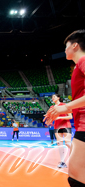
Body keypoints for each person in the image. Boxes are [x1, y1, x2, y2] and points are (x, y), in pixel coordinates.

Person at [43, 30, 85, 186]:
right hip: (81, 125)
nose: (64, 50)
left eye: (66, 46)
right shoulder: (76, 68)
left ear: (74, 45)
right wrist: (59, 110)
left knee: (75, 178)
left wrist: (65, 107)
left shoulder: (82, 61)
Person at [45, 94, 72, 168]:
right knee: (59, 143)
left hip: (66, 126)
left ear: (58, 98)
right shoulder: (52, 107)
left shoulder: (64, 105)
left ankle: (78, 155)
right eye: (52, 97)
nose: (52, 98)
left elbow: (70, 116)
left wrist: (59, 117)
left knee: (68, 143)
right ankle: (63, 162)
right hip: (57, 127)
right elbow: (50, 117)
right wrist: (49, 120)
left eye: (54, 96)